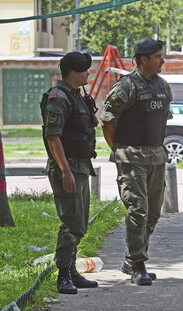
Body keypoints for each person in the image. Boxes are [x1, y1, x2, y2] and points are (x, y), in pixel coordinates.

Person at [101, 38, 172, 286]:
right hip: (132, 158)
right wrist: (122, 152)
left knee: (153, 214)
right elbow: (108, 123)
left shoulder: (163, 86)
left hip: (156, 157)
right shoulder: (126, 87)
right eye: (158, 56)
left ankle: (132, 260)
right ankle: (138, 265)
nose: (163, 60)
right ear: (143, 59)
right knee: (137, 211)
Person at [40, 52, 99, 294]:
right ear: (73, 73)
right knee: (71, 223)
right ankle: (63, 274)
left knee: (80, 223)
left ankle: (72, 270)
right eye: (85, 70)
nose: (88, 73)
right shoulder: (58, 98)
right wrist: (65, 171)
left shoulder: (75, 95)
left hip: (80, 166)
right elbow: (53, 137)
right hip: (68, 167)